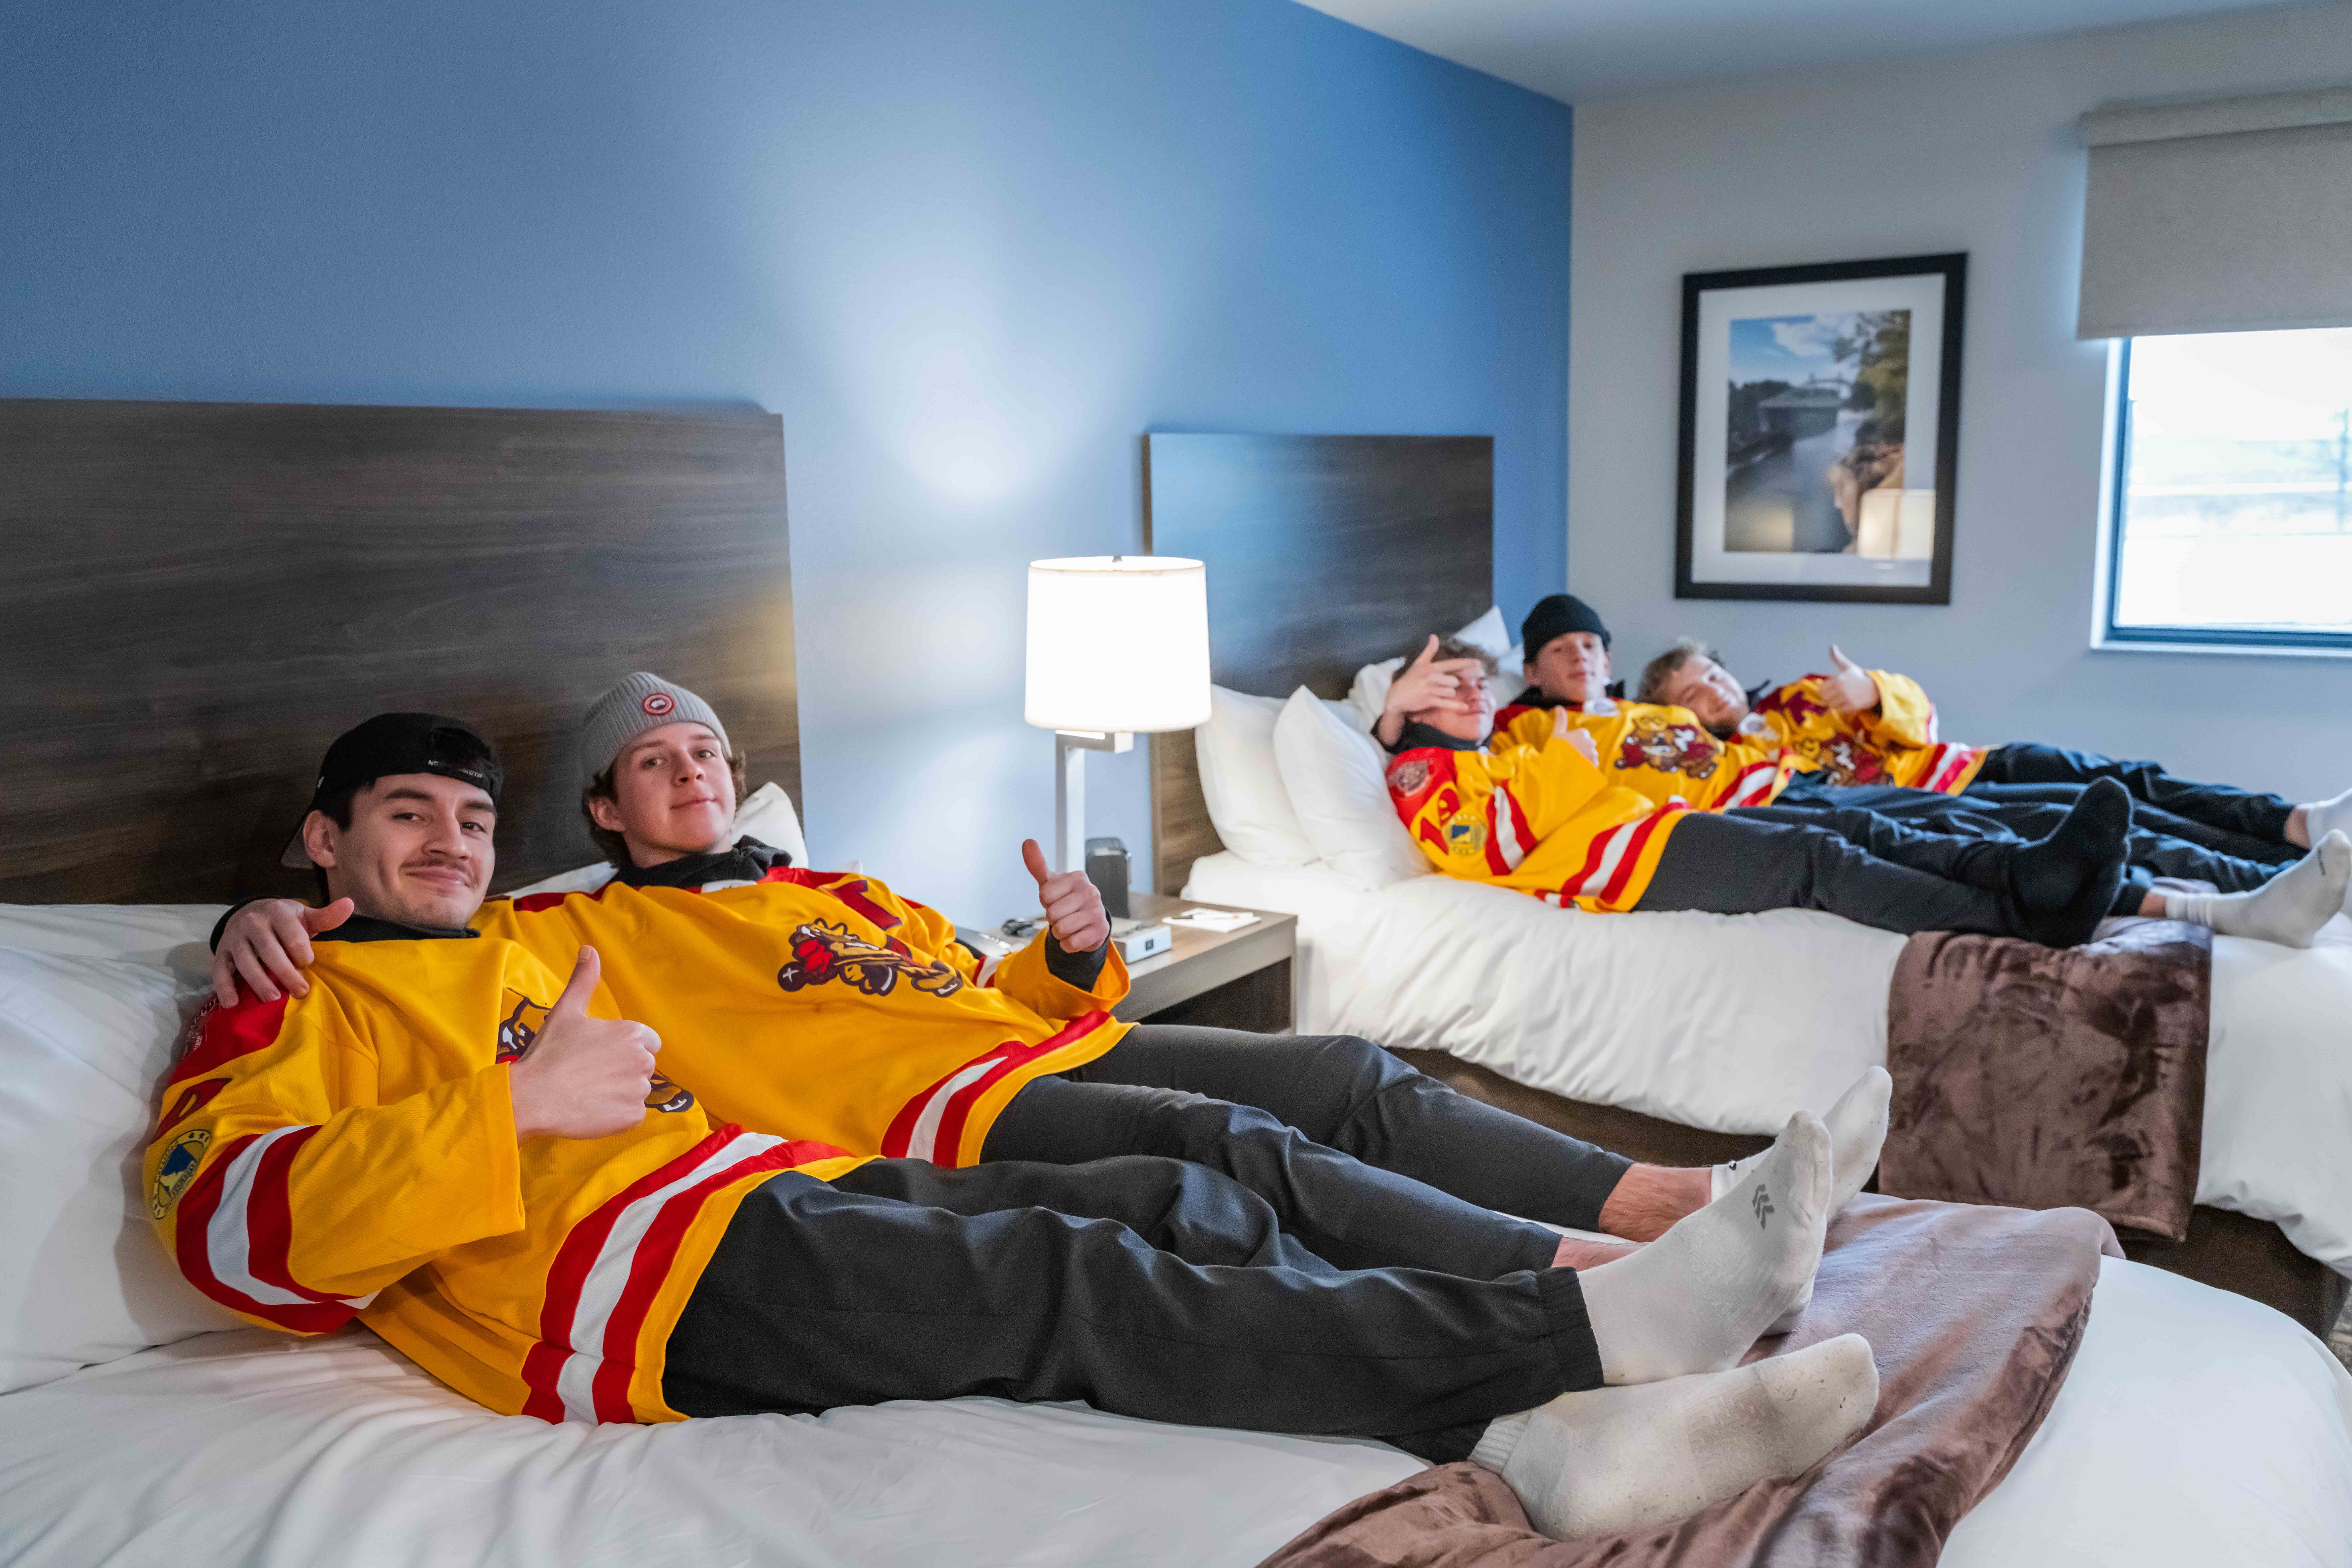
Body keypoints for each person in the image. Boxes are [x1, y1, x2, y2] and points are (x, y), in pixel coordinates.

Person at [155, 712, 1880, 1541]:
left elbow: (959, 994)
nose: (456, 842)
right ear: (324, 842)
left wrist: (1062, 958)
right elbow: (232, 1230)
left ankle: (1542, 1417)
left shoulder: (545, 931)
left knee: (1175, 1203)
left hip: (769, 1179)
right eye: (408, 818)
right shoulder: (308, 989)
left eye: (471, 815)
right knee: (1089, 1260)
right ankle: (1586, 1310)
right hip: (634, 1274)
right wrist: (467, 1079)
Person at [212, 678, 1895, 1274]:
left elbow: (1009, 995)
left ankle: (1669, 1191)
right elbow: (408, 948)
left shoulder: (837, 878)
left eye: (715, 752)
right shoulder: (569, 933)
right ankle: (1578, 1264)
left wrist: (1070, 953)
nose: (701, 777)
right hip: (921, 1121)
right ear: (597, 813)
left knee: (1358, 1071)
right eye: (661, 765)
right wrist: (251, 920)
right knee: (1255, 1144)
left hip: (1010, 1055)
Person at [1381, 633, 2132, 946]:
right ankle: (2021, 923)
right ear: (1414, 706)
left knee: (1852, 833)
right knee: (1814, 861)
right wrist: (1393, 724)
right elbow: (1494, 847)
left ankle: (2027, 875)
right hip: (1619, 863)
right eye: (1452, 687)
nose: (1477, 697)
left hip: (1649, 827)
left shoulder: (1492, 752)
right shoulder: (1424, 771)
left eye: (1481, 682)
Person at [1641, 637, 2352, 948]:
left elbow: (1919, 716)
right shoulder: (1732, 764)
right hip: (1931, 798)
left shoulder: (1804, 696)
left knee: (2132, 780)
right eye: (1693, 690)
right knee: (2124, 825)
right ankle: (2278, 883)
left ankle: (2299, 823)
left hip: (1966, 762)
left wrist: (1874, 690)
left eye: (1715, 672)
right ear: (1676, 714)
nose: (1714, 689)